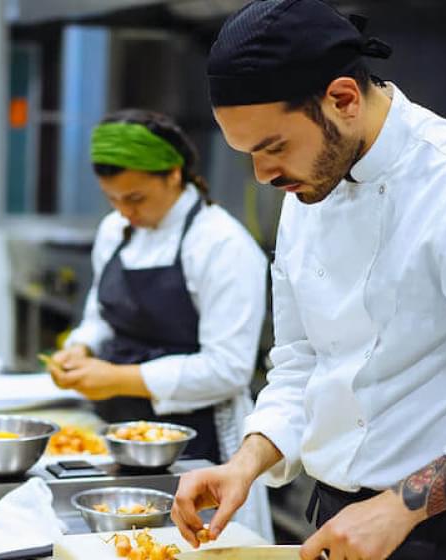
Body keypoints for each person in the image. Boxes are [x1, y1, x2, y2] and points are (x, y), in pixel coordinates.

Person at [171, 1, 446, 559]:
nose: (263, 177)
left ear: (343, 99)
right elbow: (302, 360)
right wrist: (246, 462)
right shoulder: (313, 182)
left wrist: (398, 508)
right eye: (248, 155)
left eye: (273, 147)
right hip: (337, 517)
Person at [50, 109, 273, 538]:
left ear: (174, 174)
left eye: (134, 198)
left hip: (199, 447)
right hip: (118, 433)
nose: (123, 211)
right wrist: (80, 348)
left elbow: (227, 369)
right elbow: (100, 314)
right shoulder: (116, 230)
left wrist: (118, 377)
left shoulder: (221, 245)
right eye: (112, 199)